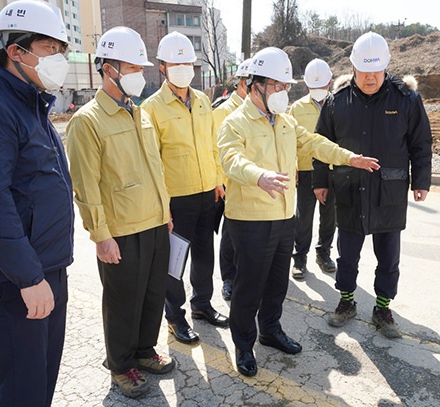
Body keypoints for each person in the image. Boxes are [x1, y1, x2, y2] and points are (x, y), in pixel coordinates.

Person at [217, 46, 380, 377]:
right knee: (249, 287)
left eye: (286, 86)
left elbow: (316, 143)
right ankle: (244, 345)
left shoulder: (286, 122)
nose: (284, 92)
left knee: (277, 283)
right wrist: (258, 175)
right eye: (278, 86)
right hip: (249, 220)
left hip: (283, 216)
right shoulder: (235, 122)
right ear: (256, 85)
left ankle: (270, 330)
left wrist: (349, 157)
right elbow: (231, 159)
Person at [66, 26, 175, 398]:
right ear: (108, 69)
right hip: (121, 230)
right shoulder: (88, 120)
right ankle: (121, 365)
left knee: (151, 294)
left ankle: (144, 351)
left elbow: (154, 167)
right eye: (132, 69)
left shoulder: (140, 113)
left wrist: (165, 211)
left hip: (155, 222)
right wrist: (101, 235)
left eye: (140, 69)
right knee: (123, 302)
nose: (138, 77)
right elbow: (86, 185)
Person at [314, 32, 433, 339]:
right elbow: (320, 144)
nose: (370, 78)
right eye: (364, 72)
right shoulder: (337, 101)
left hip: (388, 193)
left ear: (386, 67)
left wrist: (421, 180)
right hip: (350, 190)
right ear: (353, 68)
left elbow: (420, 143)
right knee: (347, 254)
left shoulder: (406, 99)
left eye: (376, 71)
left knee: (388, 256)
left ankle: (382, 308)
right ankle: (347, 302)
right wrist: (320, 181)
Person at [0, 2, 73, 405]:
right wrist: (27, 278)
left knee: (40, 379)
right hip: (17, 280)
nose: (58, 58)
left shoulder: (32, 103)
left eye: (62, 49)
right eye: (48, 47)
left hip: (47, 268)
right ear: (15, 51)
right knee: (22, 386)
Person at [142, 31, 228, 346]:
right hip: (176, 200)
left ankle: (202, 305)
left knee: (205, 254)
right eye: (176, 62)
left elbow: (213, 146)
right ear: (162, 66)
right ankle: (175, 317)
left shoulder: (203, 101)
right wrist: (162, 206)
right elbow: (152, 163)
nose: (183, 67)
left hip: (208, 193)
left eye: (188, 61)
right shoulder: (151, 108)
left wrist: (219, 179)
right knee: (175, 262)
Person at [290, 58, 337, 280]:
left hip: (331, 168)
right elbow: (288, 140)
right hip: (306, 168)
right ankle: (299, 257)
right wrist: (293, 167)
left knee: (330, 215)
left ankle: (324, 253)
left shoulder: (338, 105)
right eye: (313, 87)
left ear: (330, 82)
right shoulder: (296, 109)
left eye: (322, 86)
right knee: (304, 216)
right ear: (307, 85)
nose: (318, 91)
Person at [212, 57, 252, 301]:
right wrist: (219, 181)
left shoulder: (260, 109)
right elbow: (214, 149)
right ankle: (228, 277)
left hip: (252, 181)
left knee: (248, 233)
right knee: (230, 234)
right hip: (230, 182)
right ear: (243, 82)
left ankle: (245, 274)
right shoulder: (225, 111)